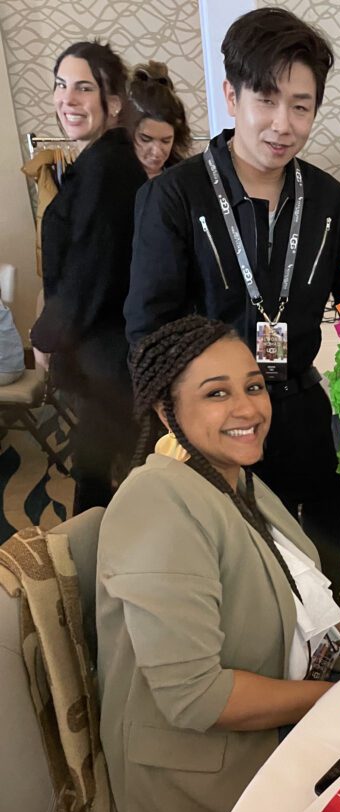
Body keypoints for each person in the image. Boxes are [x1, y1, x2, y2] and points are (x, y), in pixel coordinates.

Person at [97, 314, 340, 812]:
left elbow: (253, 609)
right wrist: (339, 700)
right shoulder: (157, 502)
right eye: (216, 393)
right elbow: (197, 697)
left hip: (260, 740)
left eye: (253, 385)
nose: (248, 408)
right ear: (166, 413)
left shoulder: (230, 476)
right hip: (201, 782)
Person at [124, 8, 340, 601]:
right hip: (213, 420)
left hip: (300, 408)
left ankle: (331, 649)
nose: (283, 124)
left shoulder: (330, 200)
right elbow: (146, 332)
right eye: (267, 99)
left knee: (320, 550)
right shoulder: (173, 197)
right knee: (236, 571)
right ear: (232, 97)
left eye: (302, 106)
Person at [30, 41, 146, 512]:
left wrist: (44, 336)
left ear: (112, 103)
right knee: (105, 475)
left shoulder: (107, 170)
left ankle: (92, 574)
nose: (68, 99)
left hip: (109, 356)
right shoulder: (99, 163)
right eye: (61, 86)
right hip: (106, 352)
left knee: (98, 480)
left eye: (83, 88)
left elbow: (89, 270)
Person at [127, 61, 192, 178]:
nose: (156, 152)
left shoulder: (182, 177)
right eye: (145, 139)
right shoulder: (108, 176)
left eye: (166, 141)